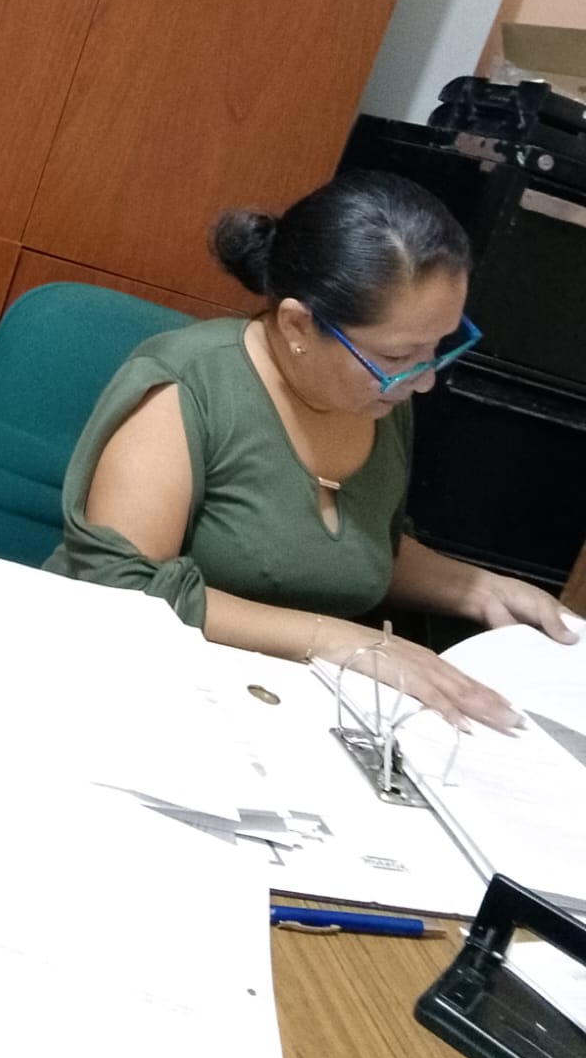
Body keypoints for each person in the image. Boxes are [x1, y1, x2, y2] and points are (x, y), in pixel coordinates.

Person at [45, 170, 576, 726]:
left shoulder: (377, 396)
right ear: (298, 325)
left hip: (274, 704)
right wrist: (339, 641)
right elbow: (123, 589)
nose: (423, 381)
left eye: (439, 346)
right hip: (125, 687)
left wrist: (475, 589)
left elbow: (351, 545)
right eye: (398, 357)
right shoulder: (186, 387)